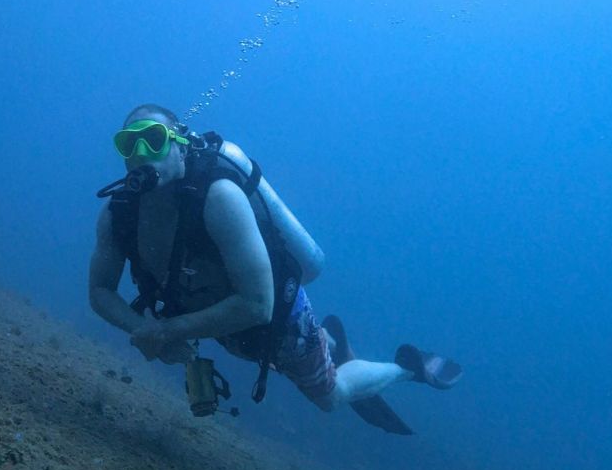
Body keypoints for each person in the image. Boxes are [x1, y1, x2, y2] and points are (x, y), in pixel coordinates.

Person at [88, 104, 461, 431]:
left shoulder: (219, 199)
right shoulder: (118, 215)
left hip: (278, 323)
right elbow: (99, 290)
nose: (140, 154)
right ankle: (328, 341)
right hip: (219, 322)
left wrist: (166, 332)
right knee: (314, 363)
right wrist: (144, 330)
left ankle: (408, 368)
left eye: (153, 139)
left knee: (330, 395)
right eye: (128, 143)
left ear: (179, 144)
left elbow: (257, 305)